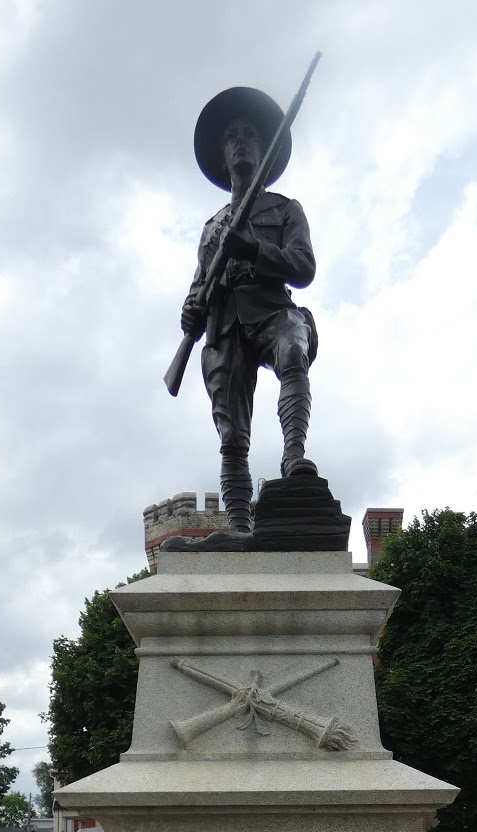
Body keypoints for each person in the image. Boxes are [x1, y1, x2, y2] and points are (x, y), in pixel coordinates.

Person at [180, 86, 318, 536]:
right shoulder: (211, 228)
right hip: (225, 328)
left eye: (249, 136)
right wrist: (190, 311)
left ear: (263, 150)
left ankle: (293, 456)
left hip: (272, 311)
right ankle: (240, 527)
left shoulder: (285, 210)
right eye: (232, 136)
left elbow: (303, 267)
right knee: (231, 437)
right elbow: (197, 288)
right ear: (223, 155)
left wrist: (255, 249)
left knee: (294, 348)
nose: (240, 142)